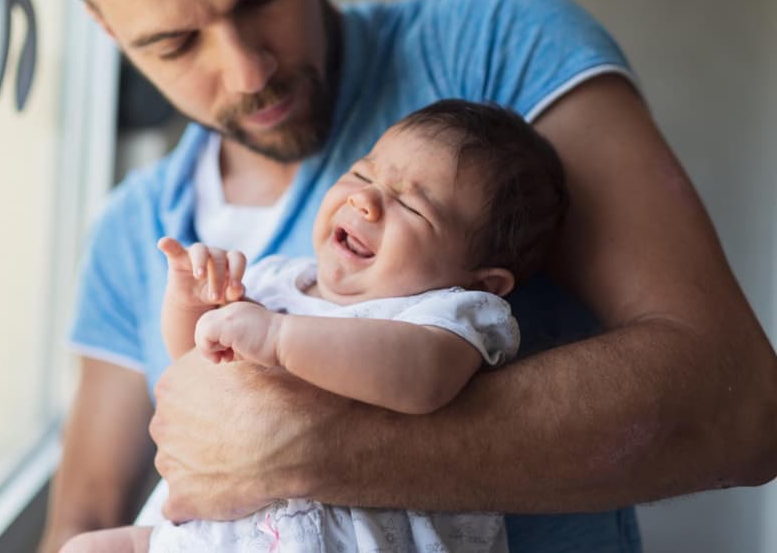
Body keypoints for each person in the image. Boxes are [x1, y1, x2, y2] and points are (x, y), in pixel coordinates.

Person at [39, 0, 777, 552]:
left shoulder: (486, 39)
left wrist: (306, 446)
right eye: (176, 42)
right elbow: (85, 514)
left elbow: (743, 405)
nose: (248, 72)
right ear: (107, 29)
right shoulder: (135, 232)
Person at [62, 100, 566, 553]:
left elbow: (421, 379)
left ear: (482, 281)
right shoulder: (278, 280)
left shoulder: (447, 314)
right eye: (362, 174)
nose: (365, 201)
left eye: (413, 205)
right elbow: (199, 371)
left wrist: (279, 338)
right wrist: (193, 306)